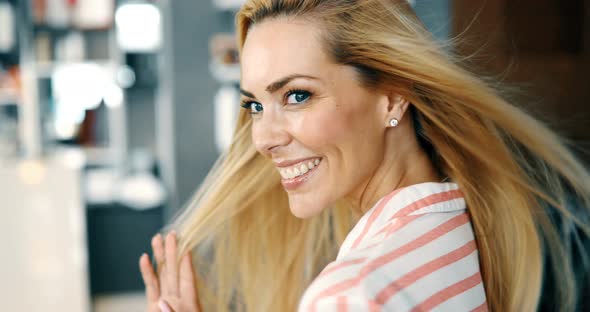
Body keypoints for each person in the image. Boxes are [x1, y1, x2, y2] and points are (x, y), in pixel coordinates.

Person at [139, 0, 590, 311]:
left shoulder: (351, 296)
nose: (263, 138)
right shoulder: (458, 223)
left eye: (297, 95)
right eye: (255, 105)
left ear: (392, 98)